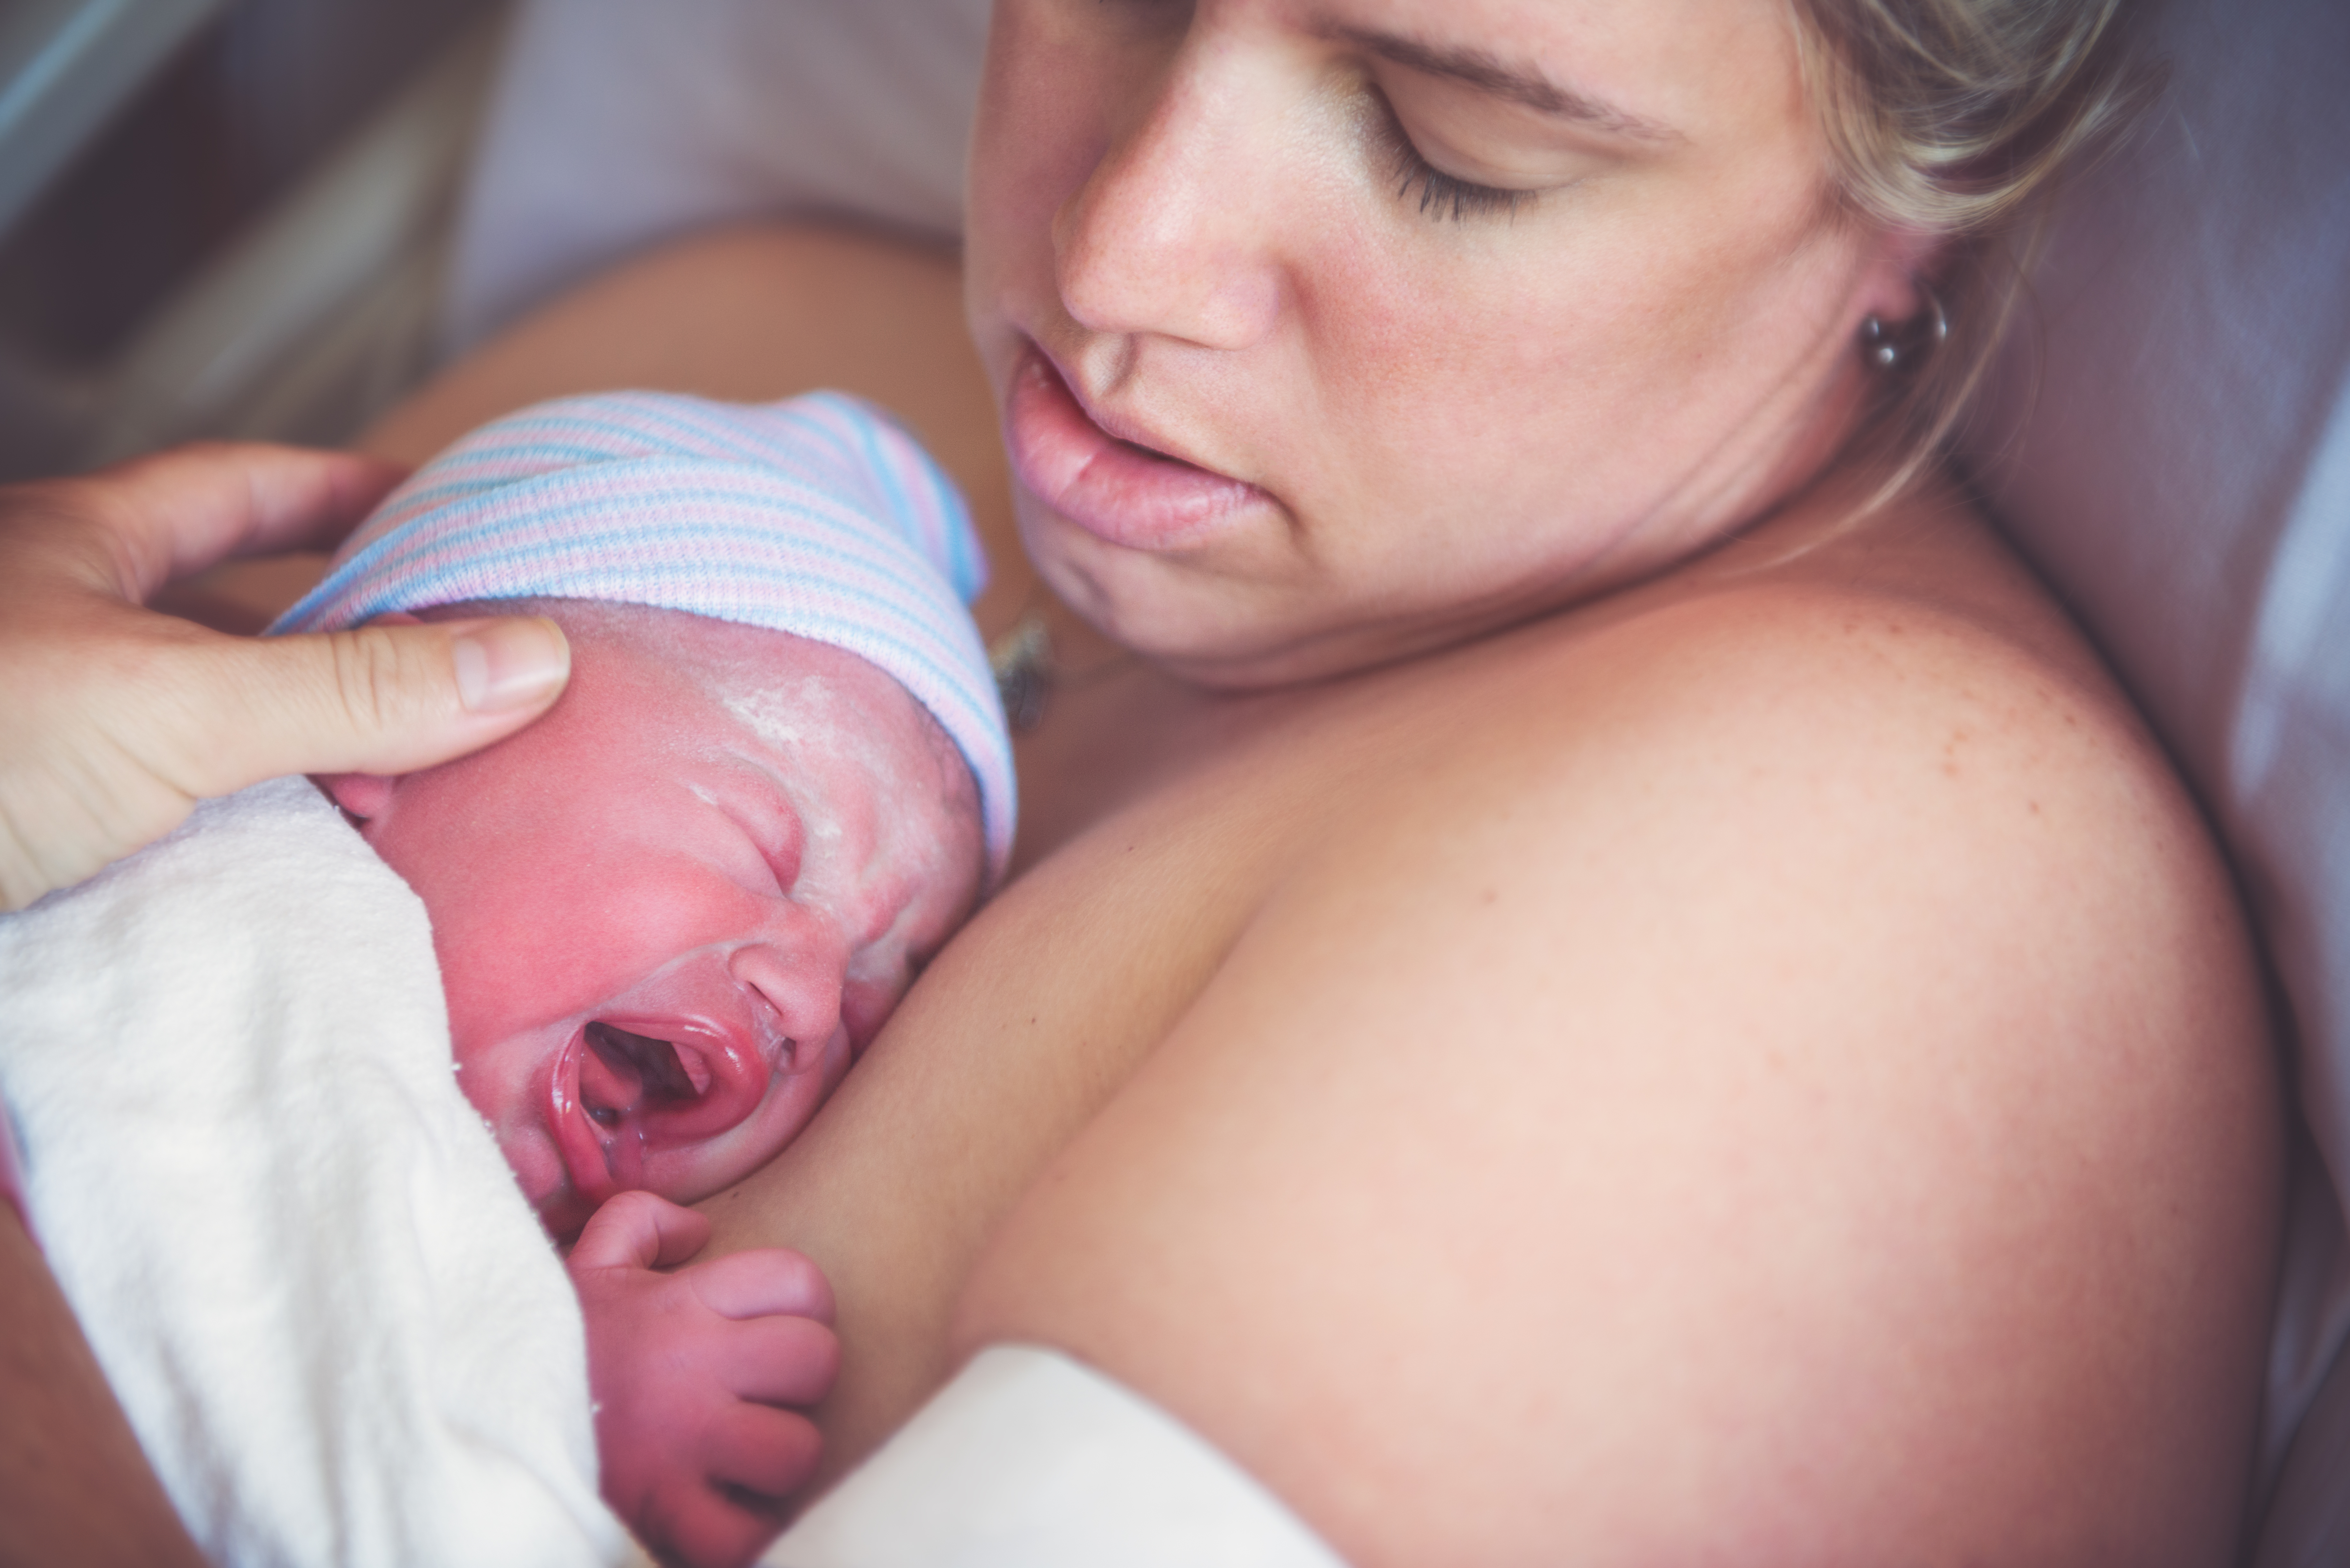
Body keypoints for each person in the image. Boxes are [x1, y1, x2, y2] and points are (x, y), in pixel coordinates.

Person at [0, 1, 2287, 1564]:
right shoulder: (752, 382)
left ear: (1925, 211)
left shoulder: (1848, 920)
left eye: (1450, 146)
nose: (1114, 260)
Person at [0, 388, 1013, 1568]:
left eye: (874, 996)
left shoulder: (472, 1220)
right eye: (763, 842)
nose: (811, 994)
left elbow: (327, 1336)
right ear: (401, 727)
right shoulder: (165, 855)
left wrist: (555, 1381)